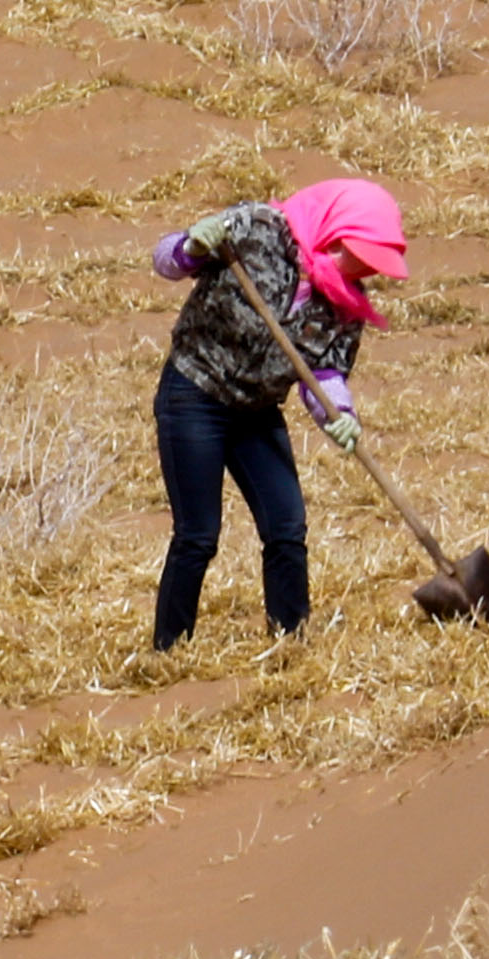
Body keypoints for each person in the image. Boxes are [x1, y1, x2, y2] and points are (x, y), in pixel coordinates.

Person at [141, 174, 408, 653]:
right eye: (362, 254)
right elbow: (167, 262)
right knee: (198, 535)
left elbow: (322, 375)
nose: (367, 269)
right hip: (195, 394)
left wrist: (340, 416)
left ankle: (290, 641)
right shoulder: (256, 229)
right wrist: (191, 246)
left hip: (257, 410)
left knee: (286, 527)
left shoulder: (346, 305)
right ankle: (169, 650)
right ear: (335, 233)